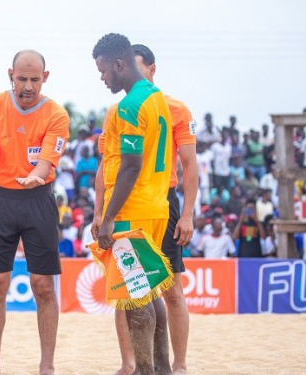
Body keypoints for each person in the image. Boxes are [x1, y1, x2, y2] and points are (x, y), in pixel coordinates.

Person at [0, 49, 69, 375]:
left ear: (45, 77)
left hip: (38, 199)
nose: (28, 86)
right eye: (21, 78)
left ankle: (47, 366)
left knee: (43, 285)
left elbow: (45, 162)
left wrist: (36, 175)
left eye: (34, 79)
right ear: (10, 74)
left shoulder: (57, 114)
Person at [91, 33, 173, 375]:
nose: (102, 77)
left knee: (136, 297)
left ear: (119, 64)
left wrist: (108, 217)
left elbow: (131, 165)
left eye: (103, 70)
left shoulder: (129, 106)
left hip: (131, 212)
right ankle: (161, 368)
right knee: (151, 291)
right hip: (156, 207)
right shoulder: (156, 98)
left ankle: (144, 370)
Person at [131, 43, 198, 374]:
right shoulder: (121, 110)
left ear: (152, 69)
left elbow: (189, 165)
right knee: (129, 290)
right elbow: (106, 167)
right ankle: (131, 363)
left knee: (172, 290)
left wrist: (187, 214)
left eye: (137, 66)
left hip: (164, 200)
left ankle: (180, 365)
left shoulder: (176, 109)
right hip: (129, 203)